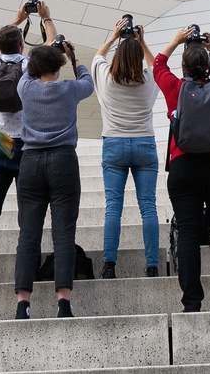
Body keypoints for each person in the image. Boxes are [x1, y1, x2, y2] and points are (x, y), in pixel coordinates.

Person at [153, 27, 210, 313]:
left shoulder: (174, 87)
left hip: (183, 168)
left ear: (183, 67)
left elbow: (158, 63)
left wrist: (176, 40)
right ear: (209, 66)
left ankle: (192, 303)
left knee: (189, 236)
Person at [0, 0, 59, 284]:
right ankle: (30, 266)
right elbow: (51, 45)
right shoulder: (29, 66)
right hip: (26, 147)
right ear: (22, 45)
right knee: (29, 211)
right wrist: (45, 18)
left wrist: (18, 18)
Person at [13, 37, 95, 319]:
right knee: (63, 233)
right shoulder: (69, 89)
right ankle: (63, 302)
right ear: (58, 67)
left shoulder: (25, 87)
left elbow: (27, 70)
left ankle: (23, 303)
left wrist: (43, 50)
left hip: (30, 162)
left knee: (28, 234)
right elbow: (88, 81)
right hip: (63, 160)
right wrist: (73, 58)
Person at [92, 18, 161, 279]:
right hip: (144, 144)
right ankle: (152, 265)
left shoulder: (106, 78)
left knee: (113, 207)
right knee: (148, 206)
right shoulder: (149, 79)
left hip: (114, 144)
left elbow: (97, 57)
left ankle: (109, 265)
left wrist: (113, 36)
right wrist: (142, 42)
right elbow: (157, 66)